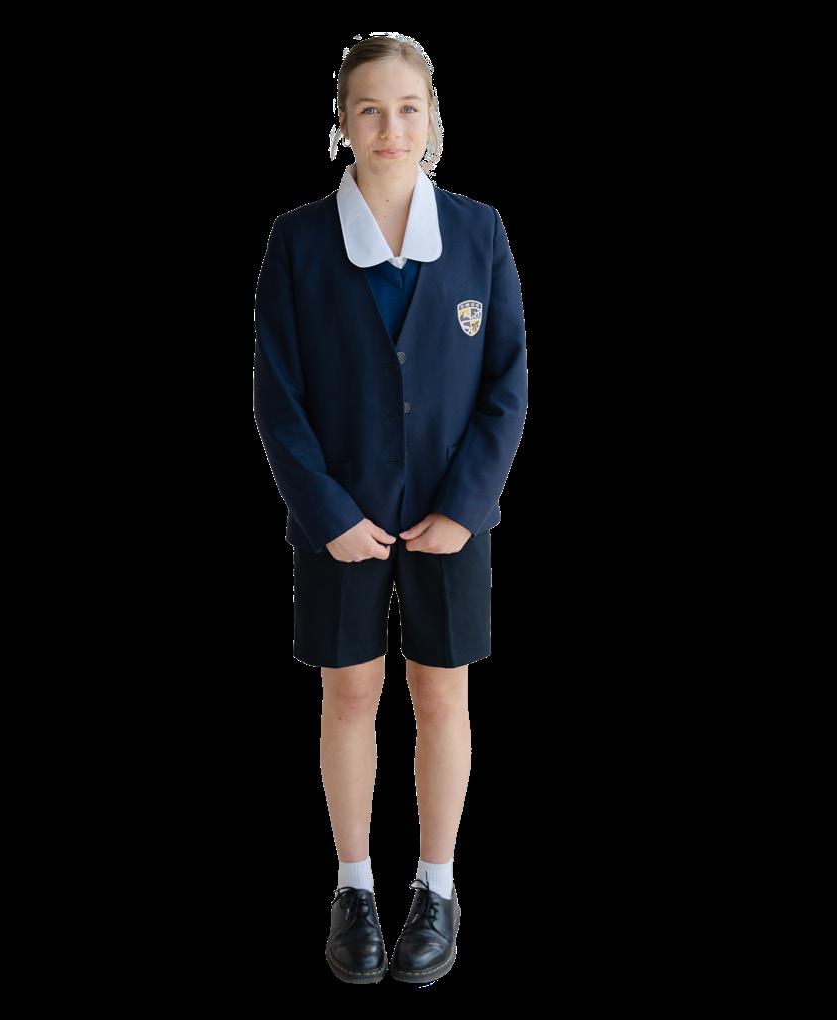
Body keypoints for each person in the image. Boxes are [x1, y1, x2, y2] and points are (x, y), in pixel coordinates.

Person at [252, 32, 527, 984]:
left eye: (409, 108)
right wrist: (325, 511)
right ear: (341, 122)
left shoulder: (479, 233)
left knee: (441, 694)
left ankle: (438, 887)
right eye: (368, 108)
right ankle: (356, 885)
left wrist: (468, 505)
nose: (390, 127)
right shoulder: (298, 241)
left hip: (453, 517)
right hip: (339, 520)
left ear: (434, 120)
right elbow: (277, 395)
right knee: (351, 695)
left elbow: (506, 384)